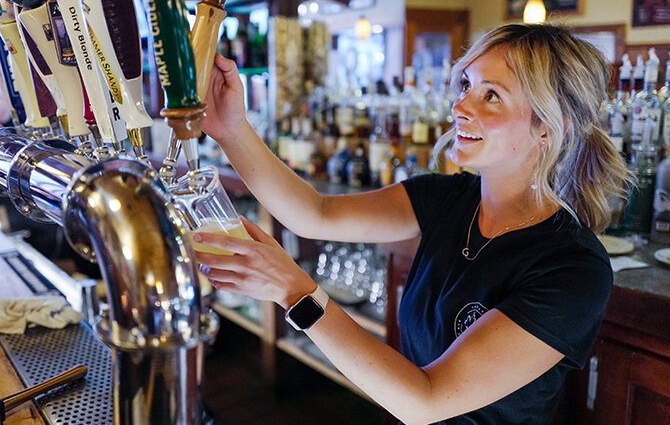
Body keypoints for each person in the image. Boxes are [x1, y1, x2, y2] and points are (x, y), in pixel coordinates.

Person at [193, 23, 631, 423]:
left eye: (491, 94)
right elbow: (315, 213)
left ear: (550, 127)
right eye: (465, 85)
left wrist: (296, 291)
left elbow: (426, 399)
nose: (460, 105)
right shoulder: (444, 199)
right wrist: (231, 129)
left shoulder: (573, 268)